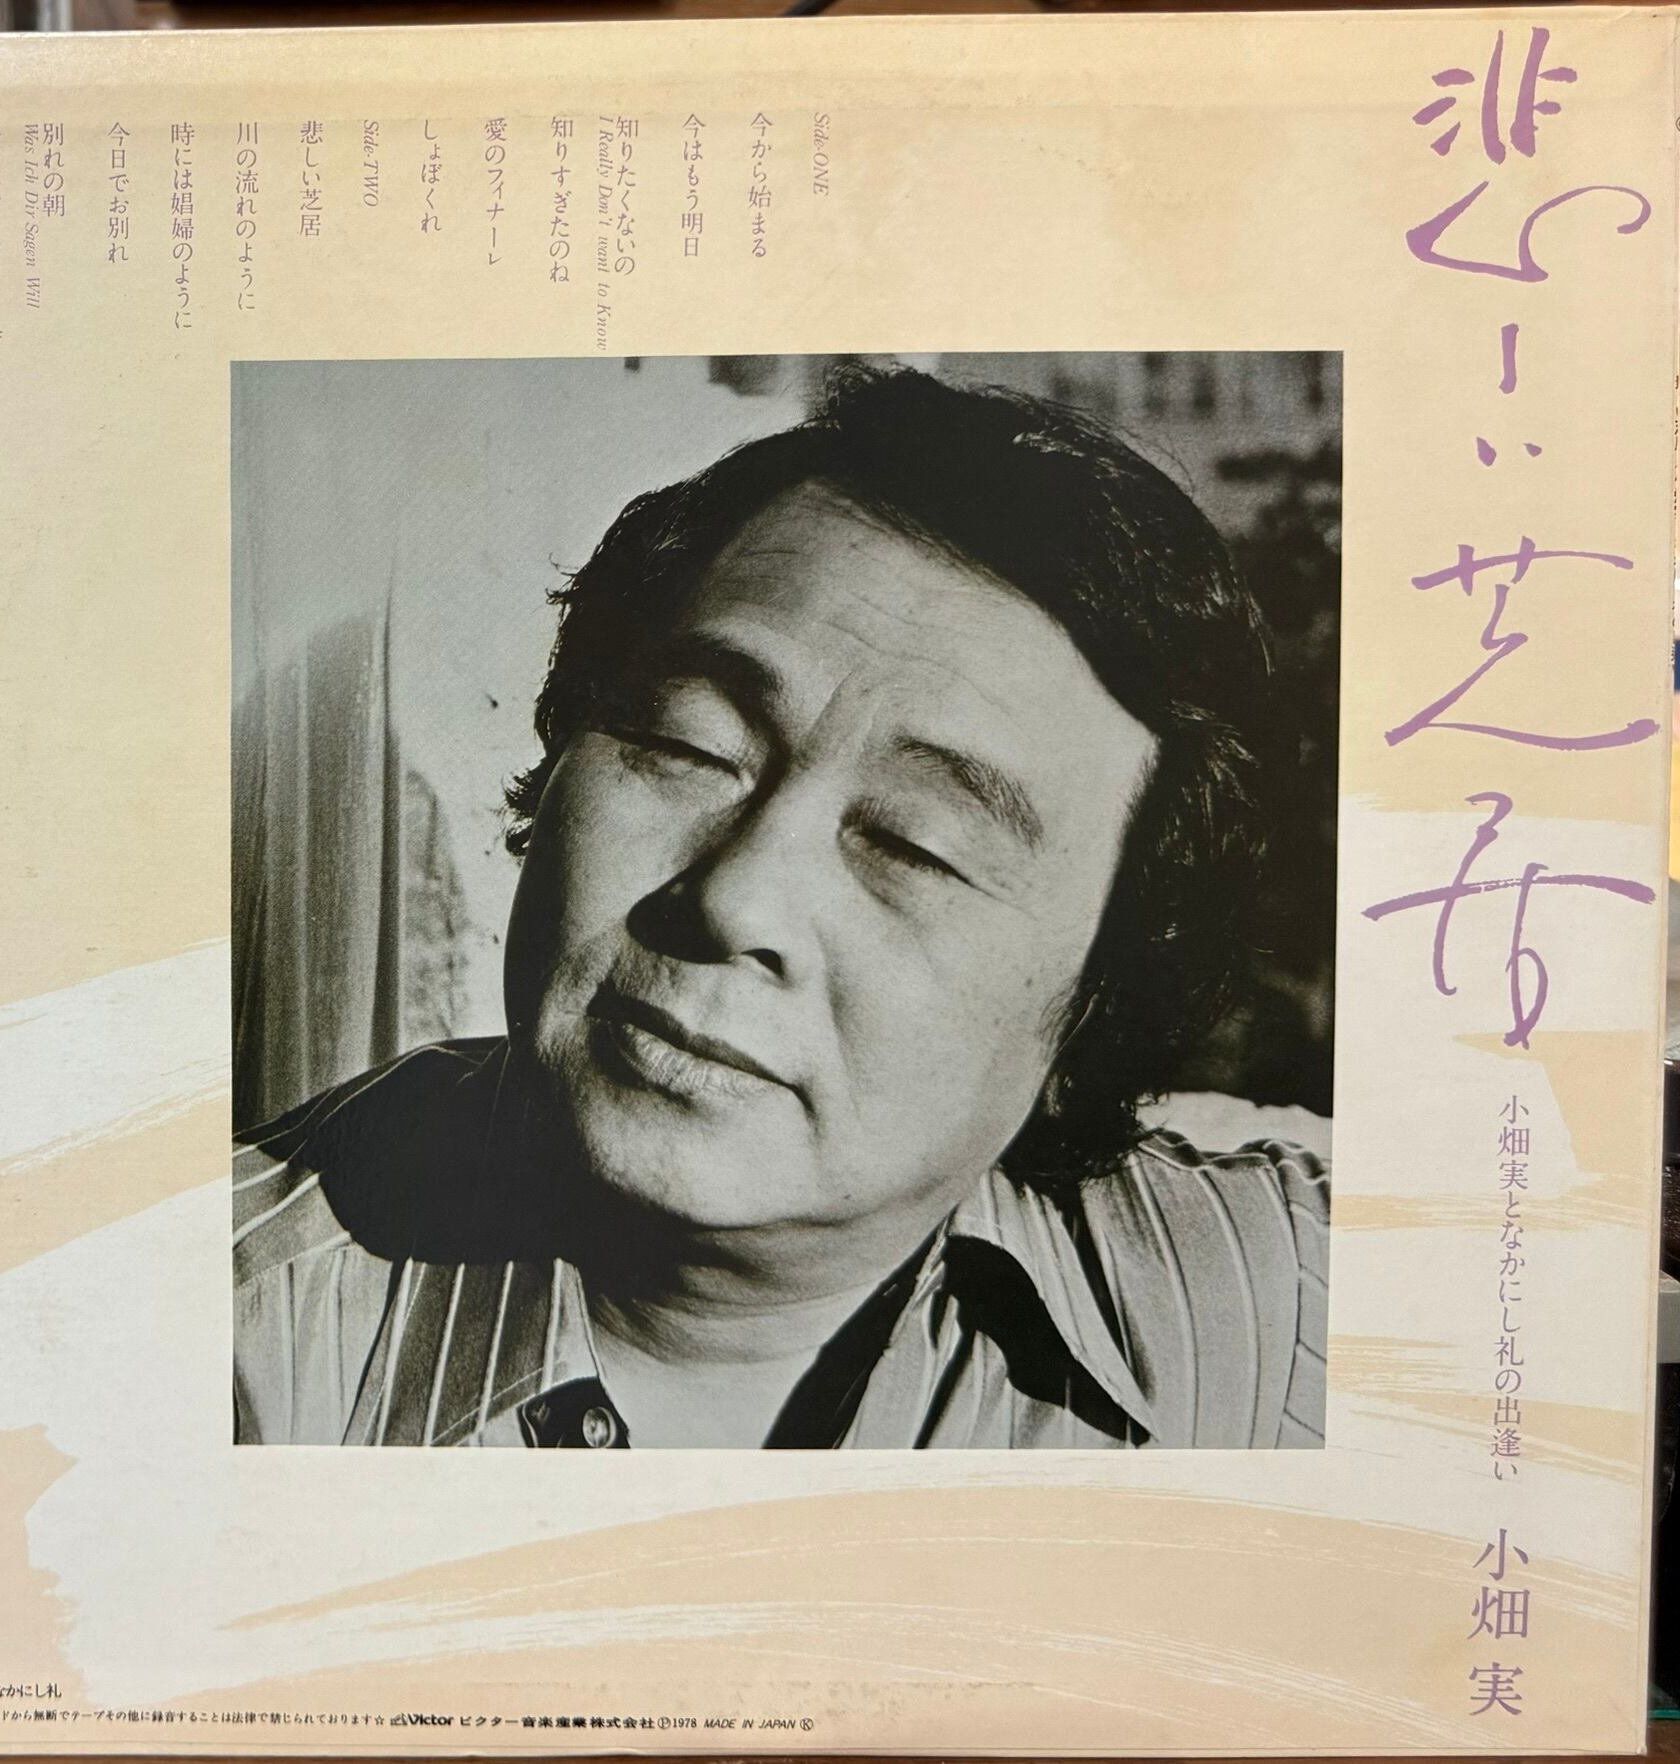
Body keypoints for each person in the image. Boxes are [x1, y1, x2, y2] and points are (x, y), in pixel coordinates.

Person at [233, 363, 1329, 1450]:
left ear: (1098, 1001)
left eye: (912, 844)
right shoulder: (212, 1348)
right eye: (687, 745)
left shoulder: (1280, 1315)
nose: (735, 899)